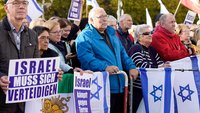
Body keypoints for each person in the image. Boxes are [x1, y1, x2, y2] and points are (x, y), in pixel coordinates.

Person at [76, 7, 139, 113]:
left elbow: (123, 54)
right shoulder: (84, 37)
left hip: (121, 84)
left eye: (105, 16)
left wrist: (131, 67)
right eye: (100, 17)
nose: (105, 19)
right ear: (91, 20)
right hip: (101, 87)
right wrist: (104, 67)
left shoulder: (112, 33)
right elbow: (86, 59)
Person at [0, 0, 40, 112]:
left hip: (25, 103)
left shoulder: (32, 34)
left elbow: (36, 64)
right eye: (16, 3)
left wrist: (52, 72)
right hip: (3, 103)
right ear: (6, 8)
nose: (21, 6)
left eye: (24, 3)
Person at [128, 24, 170, 113]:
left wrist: (163, 66)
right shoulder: (136, 48)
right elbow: (139, 65)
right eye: (147, 33)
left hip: (151, 88)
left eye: (151, 32)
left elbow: (160, 63)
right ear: (139, 37)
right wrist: (158, 67)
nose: (151, 35)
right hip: (138, 90)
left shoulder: (152, 49)